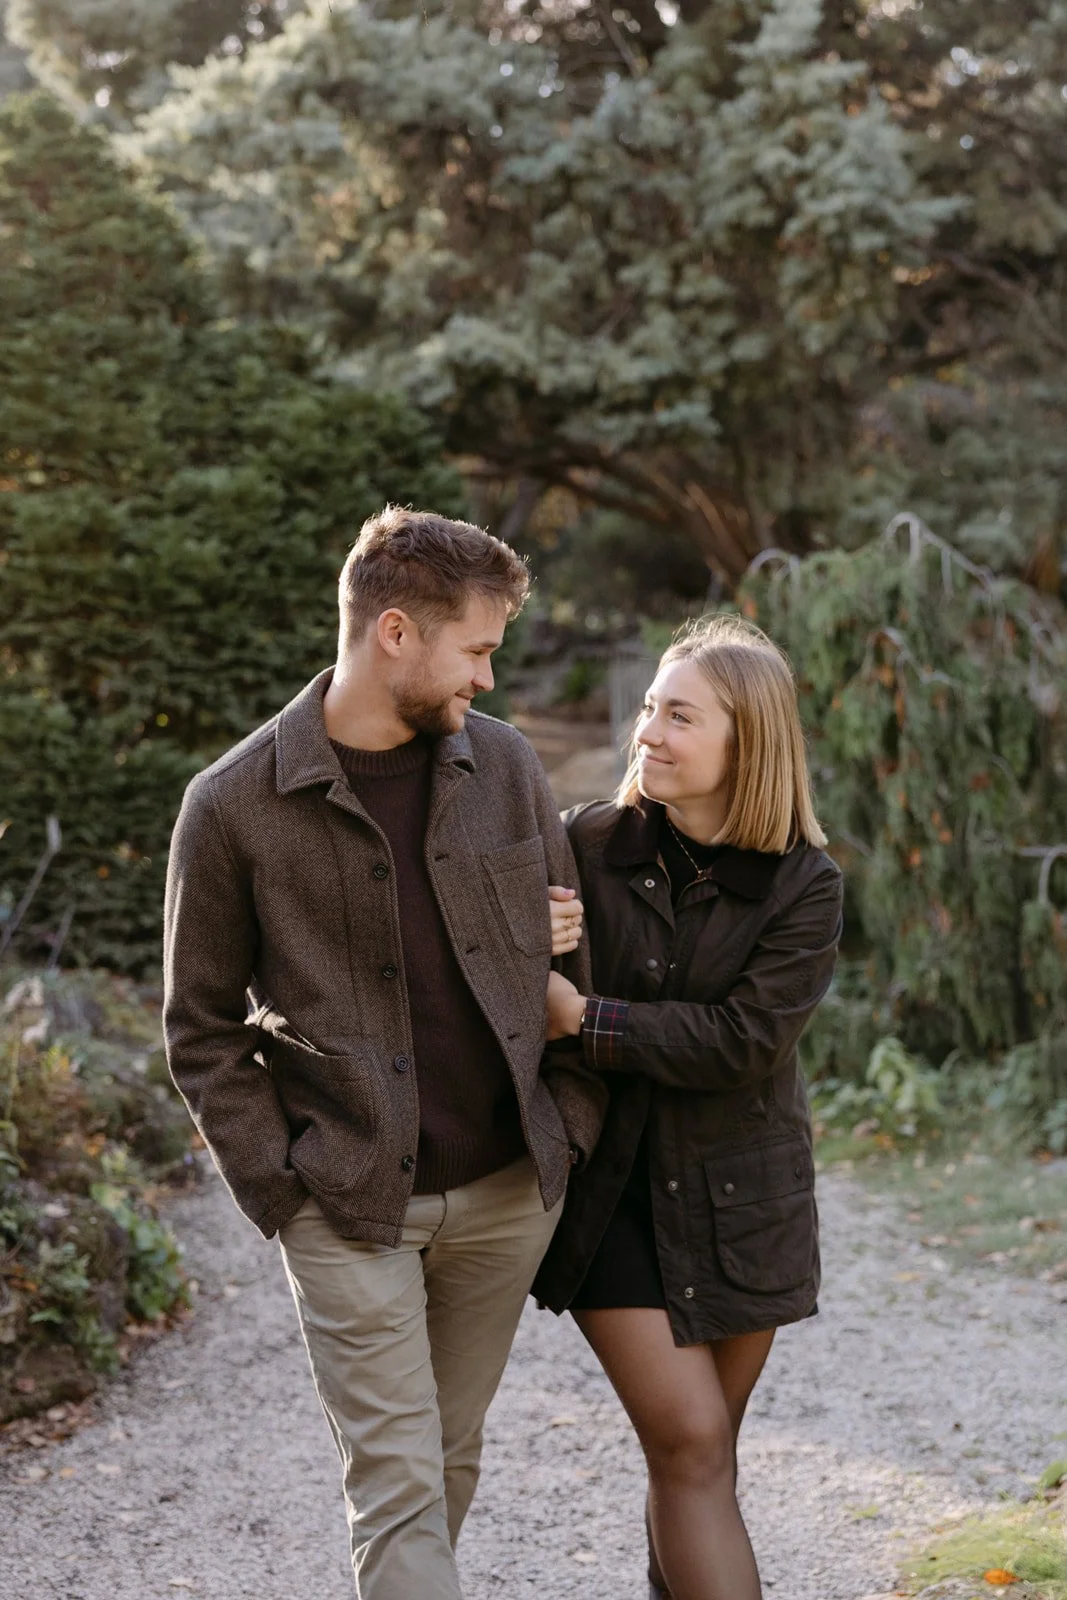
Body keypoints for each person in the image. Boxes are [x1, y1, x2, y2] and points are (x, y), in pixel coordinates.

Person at [162, 507, 604, 1600]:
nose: (490, 680)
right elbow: (200, 1026)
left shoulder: (502, 768)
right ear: (396, 633)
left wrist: (570, 1123)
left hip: (506, 1196)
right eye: (479, 650)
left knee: (444, 1466)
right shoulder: (230, 806)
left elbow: (571, 952)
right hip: (349, 1204)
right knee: (400, 1486)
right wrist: (283, 1189)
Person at [533, 614, 843, 1600]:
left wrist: (585, 1018)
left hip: (742, 1204)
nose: (647, 732)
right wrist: (529, 931)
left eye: (678, 715)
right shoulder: (587, 845)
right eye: (648, 709)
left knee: (697, 1457)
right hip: (614, 1192)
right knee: (691, 1441)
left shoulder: (804, 886)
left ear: (744, 742)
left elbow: (743, 1043)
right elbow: (487, 956)